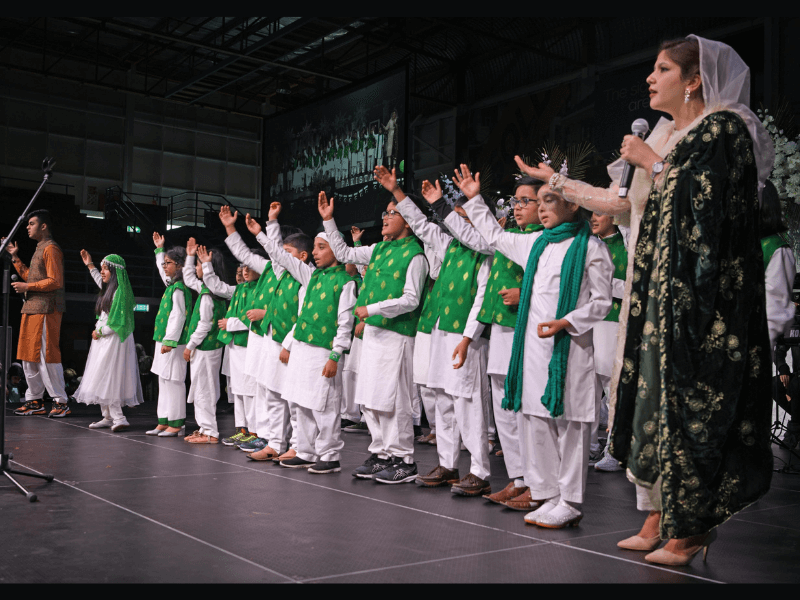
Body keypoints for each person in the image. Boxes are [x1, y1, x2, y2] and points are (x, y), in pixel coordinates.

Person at [519, 35, 775, 564]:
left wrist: (655, 164)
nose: (649, 78)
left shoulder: (724, 128)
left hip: (700, 296)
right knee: (650, 400)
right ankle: (658, 513)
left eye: (661, 69)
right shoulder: (664, 135)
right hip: (655, 289)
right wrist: (557, 181)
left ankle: (693, 524)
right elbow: (619, 203)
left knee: (691, 400)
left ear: (693, 80)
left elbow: (710, 201)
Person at [456, 164, 613, 529]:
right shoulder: (536, 244)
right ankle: (548, 494)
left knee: (570, 428)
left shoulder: (591, 248)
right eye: (538, 202)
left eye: (549, 200)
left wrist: (566, 321)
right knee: (536, 424)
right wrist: (474, 200)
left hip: (568, 352)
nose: (541, 208)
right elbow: (495, 236)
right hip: (532, 353)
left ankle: (570, 501)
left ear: (573, 204)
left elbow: (603, 302)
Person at [425, 176, 547, 508]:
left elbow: (559, 286)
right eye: (515, 201)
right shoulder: (508, 239)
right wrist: (443, 206)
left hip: (532, 330)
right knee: (505, 410)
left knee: (529, 411)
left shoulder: (546, 240)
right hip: (502, 330)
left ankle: (539, 484)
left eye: (525, 201)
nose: (518, 207)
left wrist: (526, 293)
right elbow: (477, 235)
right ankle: (518, 479)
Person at [375, 166, 494, 498]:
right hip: (441, 332)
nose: (455, 224)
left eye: (463, 219)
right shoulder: (450, 246)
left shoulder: (486, 253)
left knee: (467, 403)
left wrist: (469, 338)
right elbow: (422, 226)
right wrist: (397, 193)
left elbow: (481, 300)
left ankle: (480, 471)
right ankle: (447, 464)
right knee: (442, 400)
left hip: (465, 338)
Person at [319, 190, 429, 484]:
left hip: (397, 334)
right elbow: (344, 254)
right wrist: (329, 220)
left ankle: (404, 460)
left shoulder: (416, 255)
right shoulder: (379, 249)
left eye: (393, 213)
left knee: (394, 400)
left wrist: (373, 308)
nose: (386, 218)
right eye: (385, 213)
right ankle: (381, 454)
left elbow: (411, 299)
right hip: (373, 334)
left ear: (409, 220)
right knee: (370, 397)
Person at [259, 205, 358, 475]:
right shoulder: (311, 276)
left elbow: (345, 323)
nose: (314, 252)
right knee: (299, 402)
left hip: (324, 352)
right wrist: (264, 230)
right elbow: (282, 257)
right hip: (302, 349)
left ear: (336, 250)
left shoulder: (345, 282)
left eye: (321, 247)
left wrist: (336, 355)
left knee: (324, 405)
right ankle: (305, 451)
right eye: (314, 247)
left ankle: (330, 455)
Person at [244, 214, 315, 464]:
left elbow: (304, 316)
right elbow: (275, 255)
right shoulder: (283, 273)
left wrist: (288, 344)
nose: (281, 256)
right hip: (273, 341)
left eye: (288, 252)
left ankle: (297, 446)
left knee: (294, 399)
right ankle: (275, 443)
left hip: (292, 345)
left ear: (303, 256)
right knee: (272, 393)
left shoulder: (307, 276)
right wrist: (269, 226)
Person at [5, 210, 70, 418]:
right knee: (28, 357)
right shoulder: (39, 248)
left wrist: (27, 286)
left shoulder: (51, 248)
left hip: (47, 309)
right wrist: (15, 257)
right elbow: (30, 277)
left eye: (31, 223)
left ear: (43, 226)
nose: (27, 227)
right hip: (32, 308)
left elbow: (55, 281)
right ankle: (34, 400)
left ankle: (60, 401)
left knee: (46, 355)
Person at [73, 251, 143, 431]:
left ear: (115, 271)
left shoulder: (121, 292)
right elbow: (100, 280)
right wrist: (90, 266)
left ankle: (119, 418)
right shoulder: (110, 290)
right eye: (102, 268)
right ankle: (107, 416)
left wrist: (99, 331)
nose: (102, 272)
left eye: (105, 269)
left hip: (113, 340)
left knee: (110, 377)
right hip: (104, 340)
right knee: (102, 376)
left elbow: (118, 323)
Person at [588, 213, 629, 474]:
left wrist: (603, 282)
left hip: (612, 321)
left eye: (599, 213)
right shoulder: (587, 244)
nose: (593, 218)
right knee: (586, 387)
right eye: (590, 213)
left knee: (611, 385)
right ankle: (589, 445)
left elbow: (633, 287)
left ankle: (615, 448)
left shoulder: (626, 247)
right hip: (584, 321)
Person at [182, 239, 229, 445]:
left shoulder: (209, 294)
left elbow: (205, 325)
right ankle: (204, 428)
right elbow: (188, 278)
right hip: (207, 348)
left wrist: (190, 345)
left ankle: (210, 431)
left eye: (199, 264)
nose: (196, 268)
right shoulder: (207, 289)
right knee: (202, 387)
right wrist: (190, 255)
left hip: (206, 348)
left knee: (205, 389)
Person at [146, 234, 193, 438]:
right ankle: (163, 420)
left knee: (174, 381)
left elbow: (178, 316)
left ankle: (177, 422)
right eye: (164, 263)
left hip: (175, 342)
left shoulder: (180, 288)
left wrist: (170, 341)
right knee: (163, 380)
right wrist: (160, 250)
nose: (164, 266)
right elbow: (161, 270)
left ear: (180, 266)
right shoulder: (172, 285)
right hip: (163, 340)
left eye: (169, 263)